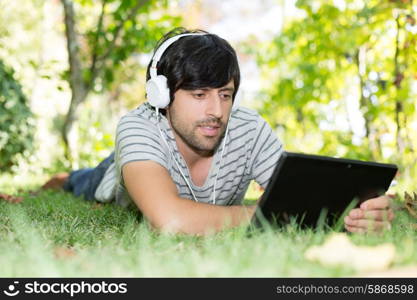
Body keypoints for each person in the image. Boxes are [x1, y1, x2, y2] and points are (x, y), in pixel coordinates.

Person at [43, 27, 394, 235]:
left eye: (225, 95)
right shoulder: (138, 126)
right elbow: (171, 220)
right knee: (82, 181)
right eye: (199, 95)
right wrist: (276, 216)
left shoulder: (249, 129)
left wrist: (357, 211)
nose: (216, 111)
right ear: (161, 95)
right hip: (111, 178)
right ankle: (60, 177)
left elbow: (303, 195)